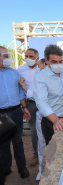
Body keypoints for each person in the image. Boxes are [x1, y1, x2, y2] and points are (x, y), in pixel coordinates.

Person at [0, 46, 30, 178]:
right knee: (3, 143)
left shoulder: (14, 73)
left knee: (18, 141)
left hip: (16, 111)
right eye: (6, 56)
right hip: (1, 114)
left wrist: (24, 108)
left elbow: (20, 92)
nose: (8, 58)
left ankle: (22, 168)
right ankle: (6, 168)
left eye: (8, 55)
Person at [33, 45, 63, 145]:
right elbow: (41, 102)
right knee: (53, 154)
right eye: (54, 62)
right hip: (51, 122)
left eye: (60, 61)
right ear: (47, 61)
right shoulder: (40, 77)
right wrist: (56, 120)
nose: (58, 64)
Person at [18, 48, 39, 166]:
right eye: (26, 56)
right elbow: (20, 90)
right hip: (30, 104)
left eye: (31, 56)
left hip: (45, 103)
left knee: (48, 128)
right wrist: (24, 106)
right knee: (34, 131)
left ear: (37, 57)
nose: (28, 59)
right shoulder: (20, 70)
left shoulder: (43, 68)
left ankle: (49, 153)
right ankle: (36, 154)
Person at [34, 58, 47, 181]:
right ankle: (41, 171)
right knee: (42, 143)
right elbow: (33, 95)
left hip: (61, 115)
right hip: (42, 115)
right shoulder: (38, 76)